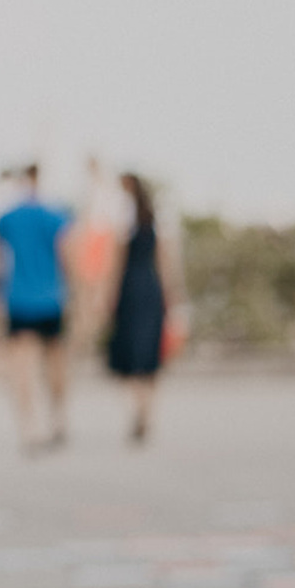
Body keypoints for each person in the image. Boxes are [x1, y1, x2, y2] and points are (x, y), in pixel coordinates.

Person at [0, 163, 74, 454]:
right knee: (55, 362)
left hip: (18, 297)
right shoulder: (55, 215)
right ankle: (58, 418)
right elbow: (67, 257)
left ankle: (29, 426)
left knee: (22, 365)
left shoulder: (6, 218)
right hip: (51, 297)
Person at [105, 172, 186, 444]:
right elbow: (165, 263)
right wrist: (172, 296)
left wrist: (108, 297)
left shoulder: (122, 217)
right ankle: (146, 410)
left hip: (131, 289)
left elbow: (115, 264)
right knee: (148, 352)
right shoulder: (156, 219)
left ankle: (139, 408)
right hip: (151, 289)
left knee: (130, 353)